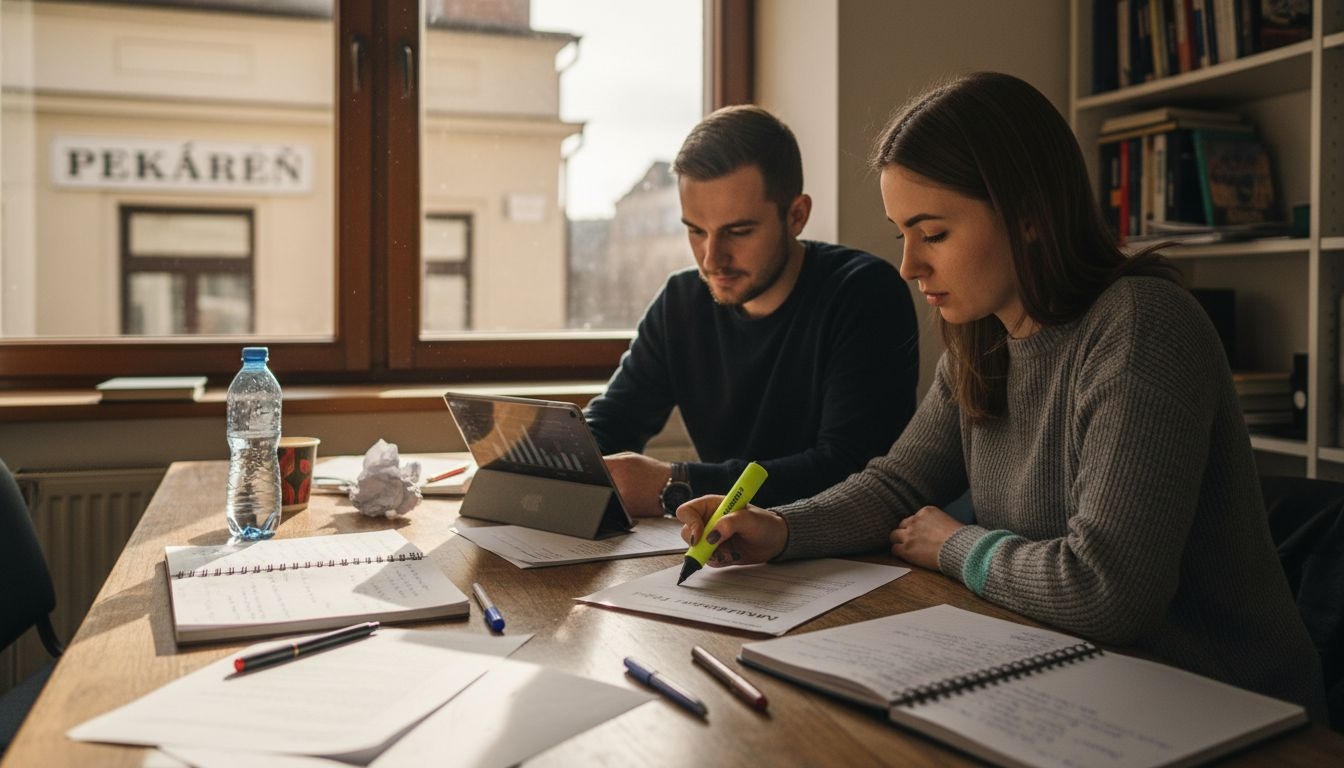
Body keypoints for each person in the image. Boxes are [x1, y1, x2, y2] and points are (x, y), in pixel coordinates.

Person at [675, 72, 1328, 718]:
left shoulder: (1140, 326)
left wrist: (955, 545)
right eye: (903, 234)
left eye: (934, 234)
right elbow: (898, 485)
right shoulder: (984, 336)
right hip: (1073, 680)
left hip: (1222, 706)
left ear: (1029, 216)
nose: (909, 265)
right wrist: (781, 528)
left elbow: (1108, 593)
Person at [586, 105, 919, 518]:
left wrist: (676, 484)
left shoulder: (864, 293)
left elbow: (849, 470)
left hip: (846, 546)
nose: (712, 258)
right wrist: (553, 458)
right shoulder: (681, 302)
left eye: (738, 231)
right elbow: (611, 422)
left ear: (796, 216)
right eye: (696, 231)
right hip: (728, 544)